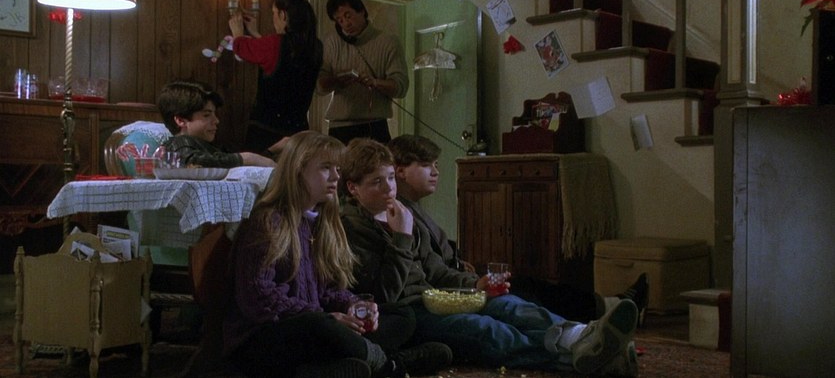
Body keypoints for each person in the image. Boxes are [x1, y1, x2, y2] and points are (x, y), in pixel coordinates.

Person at [339, 138, 639, 375]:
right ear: (353, 188)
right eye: (377, 182)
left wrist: (475, 284)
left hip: (436, 296)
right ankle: (577, 357)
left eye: (391, 178)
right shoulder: (350, 228)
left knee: (508, 304)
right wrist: (401, 239)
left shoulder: (402, 214)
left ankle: (583, 334)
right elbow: (385, 294)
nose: (389, 188)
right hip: (407, 313)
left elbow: (437, 270)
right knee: (485, 329)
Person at [223, 131, 452, 378]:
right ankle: (390, 365)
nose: (335, 176)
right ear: (298, 171)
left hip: (316, 326)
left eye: (338, 169)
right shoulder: (268, 222)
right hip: (264, 336)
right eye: (325, 168)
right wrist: (325, 317)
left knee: (400, 315)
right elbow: (259, 298)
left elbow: (329, 288)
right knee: (322, 326)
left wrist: (353, 305)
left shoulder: (320, 221)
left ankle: (330, 368)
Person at [388, 134, 649, 325]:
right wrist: (466, 277)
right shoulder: (400, 215)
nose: (436, 172)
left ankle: (609, 306)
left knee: (529, 283)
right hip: (453, 290)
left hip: (461, 278)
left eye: (436, 165)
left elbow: (438, 250)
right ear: (400, 172)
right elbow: (430, 267)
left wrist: (457, 259)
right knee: (520, 291)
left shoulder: (415, 207)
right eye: (426, 165)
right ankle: (597, 318)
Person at [229, 0, 322, 156]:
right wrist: (255, 33)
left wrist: (237, 33)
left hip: (267, 131)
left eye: (274, 13)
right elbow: (280, 54)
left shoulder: (275, 44)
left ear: (283, 15)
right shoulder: (315, 46)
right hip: (297, 132)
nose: (273, 18)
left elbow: (244, 49)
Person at [315, 0, 408, 144]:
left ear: (362, 11)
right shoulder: (331, 43)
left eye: (348, 16)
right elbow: (319, 87)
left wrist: (375, 83)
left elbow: (401, 87)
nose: (346, 24)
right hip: (339, 126)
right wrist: (337, 81)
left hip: (374, 124)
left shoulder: (388, 42)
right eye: (339, 20)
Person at [157, 81, 276, 168]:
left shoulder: (206, 145)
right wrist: (245, 158)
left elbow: (227, 160)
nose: (216, 120)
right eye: (206, 115)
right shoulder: (180, 142)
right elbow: (191, 161)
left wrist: (271, 151)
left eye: (214, 114)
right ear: (180, 120)